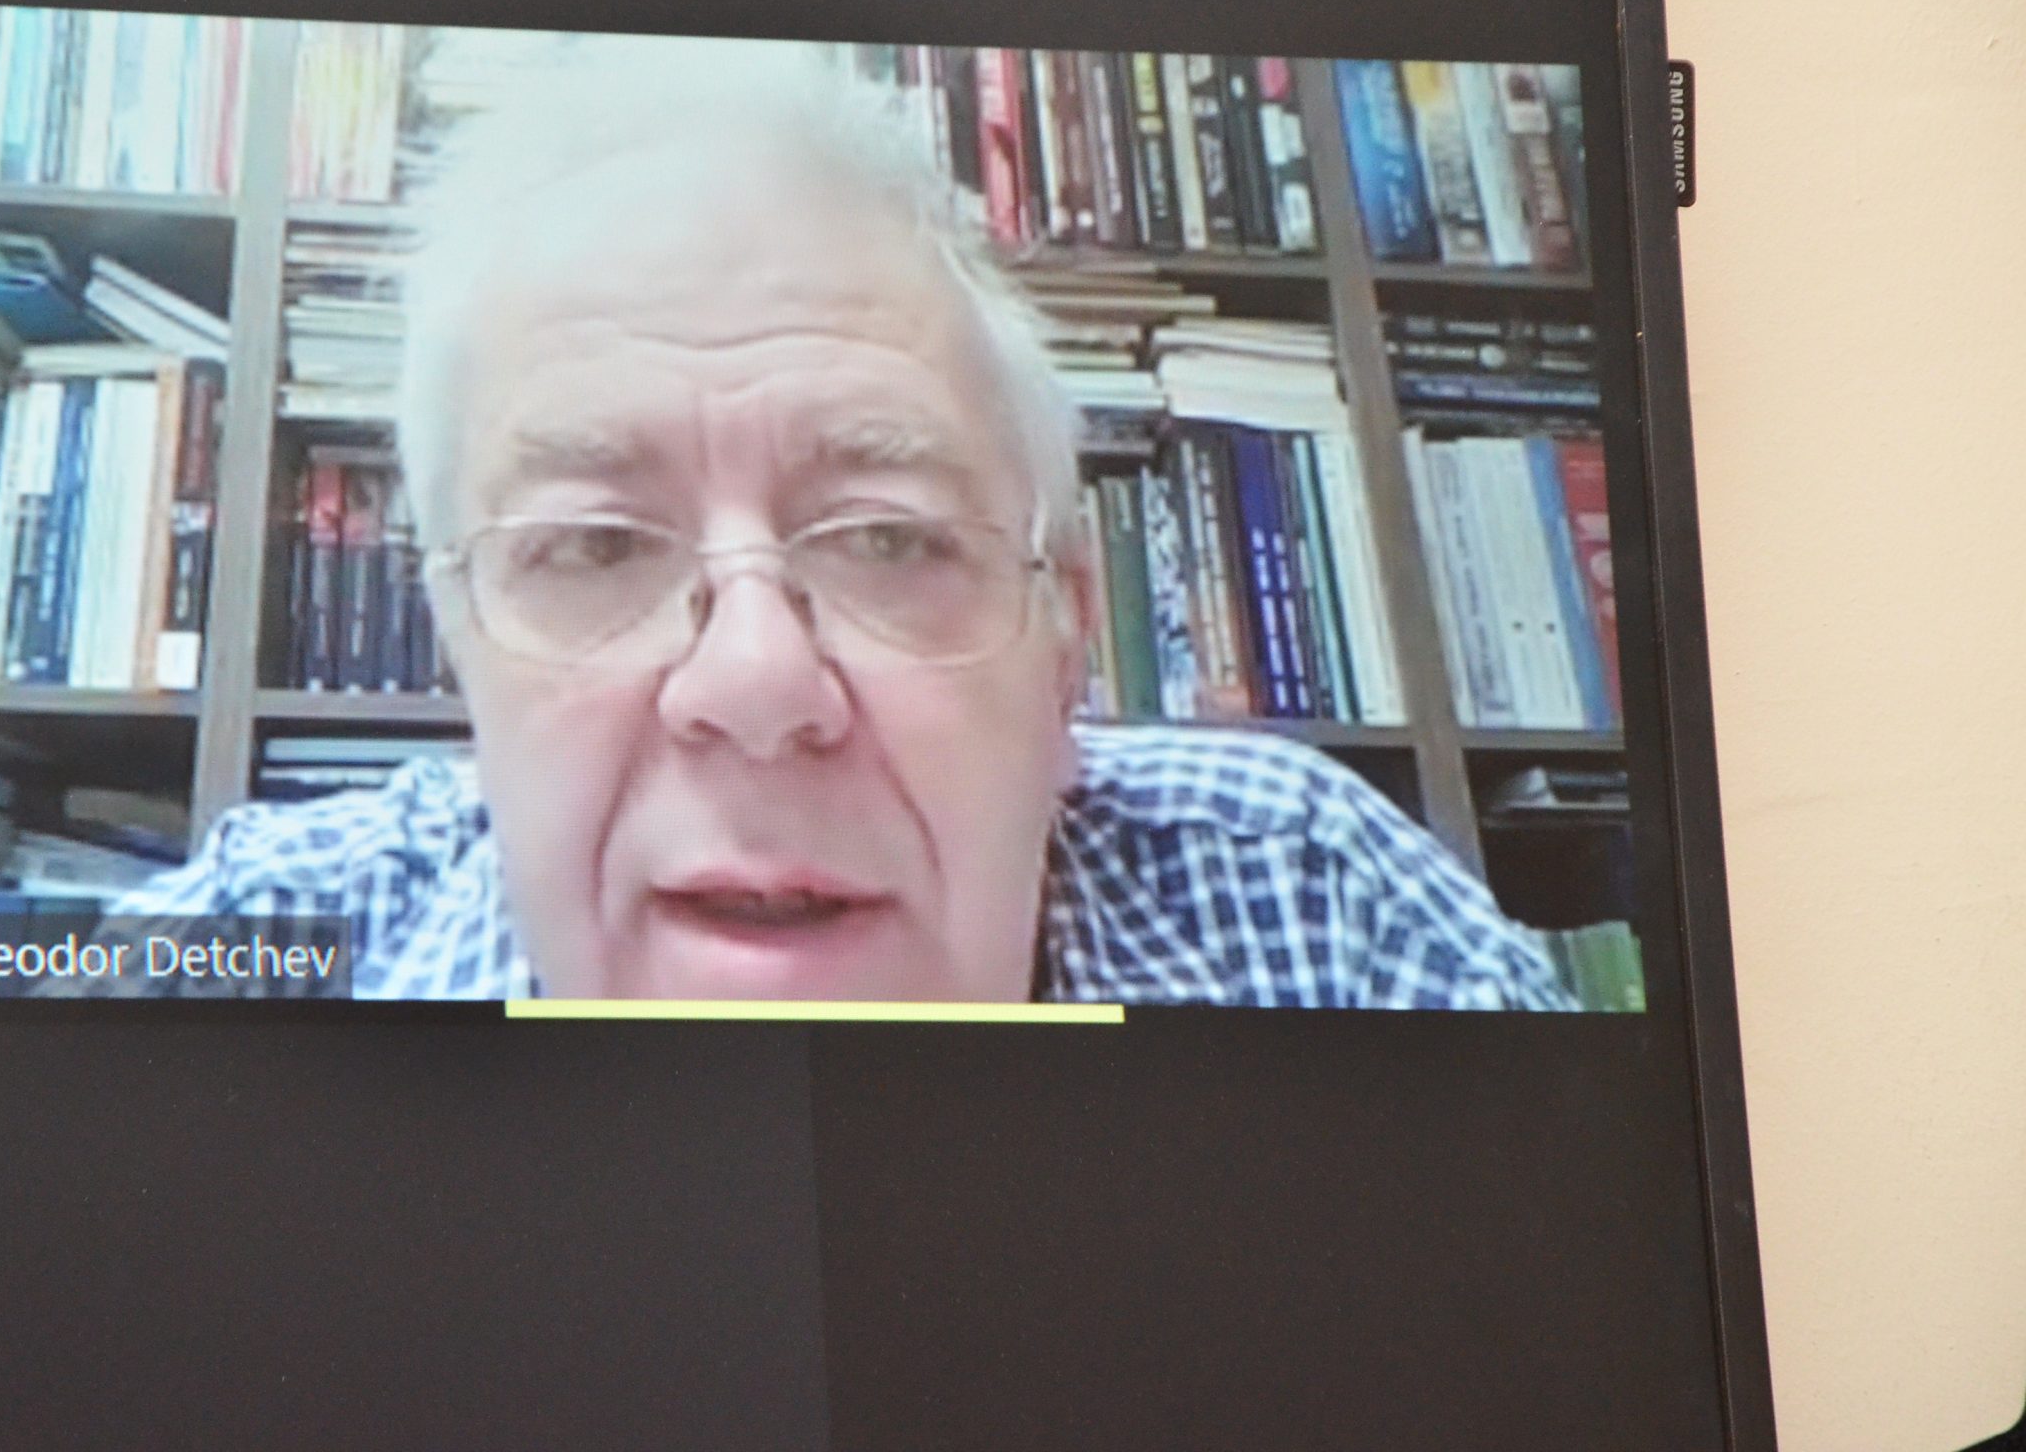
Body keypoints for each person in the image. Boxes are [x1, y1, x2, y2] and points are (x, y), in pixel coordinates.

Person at [122, 49, 1575, 1009]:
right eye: (599, 546)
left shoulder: (1323, 912)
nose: (757, 688)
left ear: (1064, 640)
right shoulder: (250, 949)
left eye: (887, 539)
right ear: (459, 638)